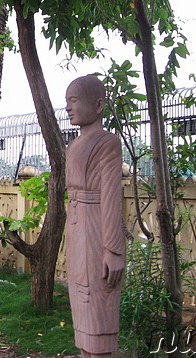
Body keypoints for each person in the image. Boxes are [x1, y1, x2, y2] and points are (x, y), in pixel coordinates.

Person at [64, 75, 125, 357]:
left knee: (99, 298)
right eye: (67, 102)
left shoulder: (107, 143)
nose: (68, 108)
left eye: (73, 101)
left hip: (96, 229)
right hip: (76, 228)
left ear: (98, 105)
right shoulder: (73, 146)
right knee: (81, 297)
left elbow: (112, 197)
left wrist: (114, 250)